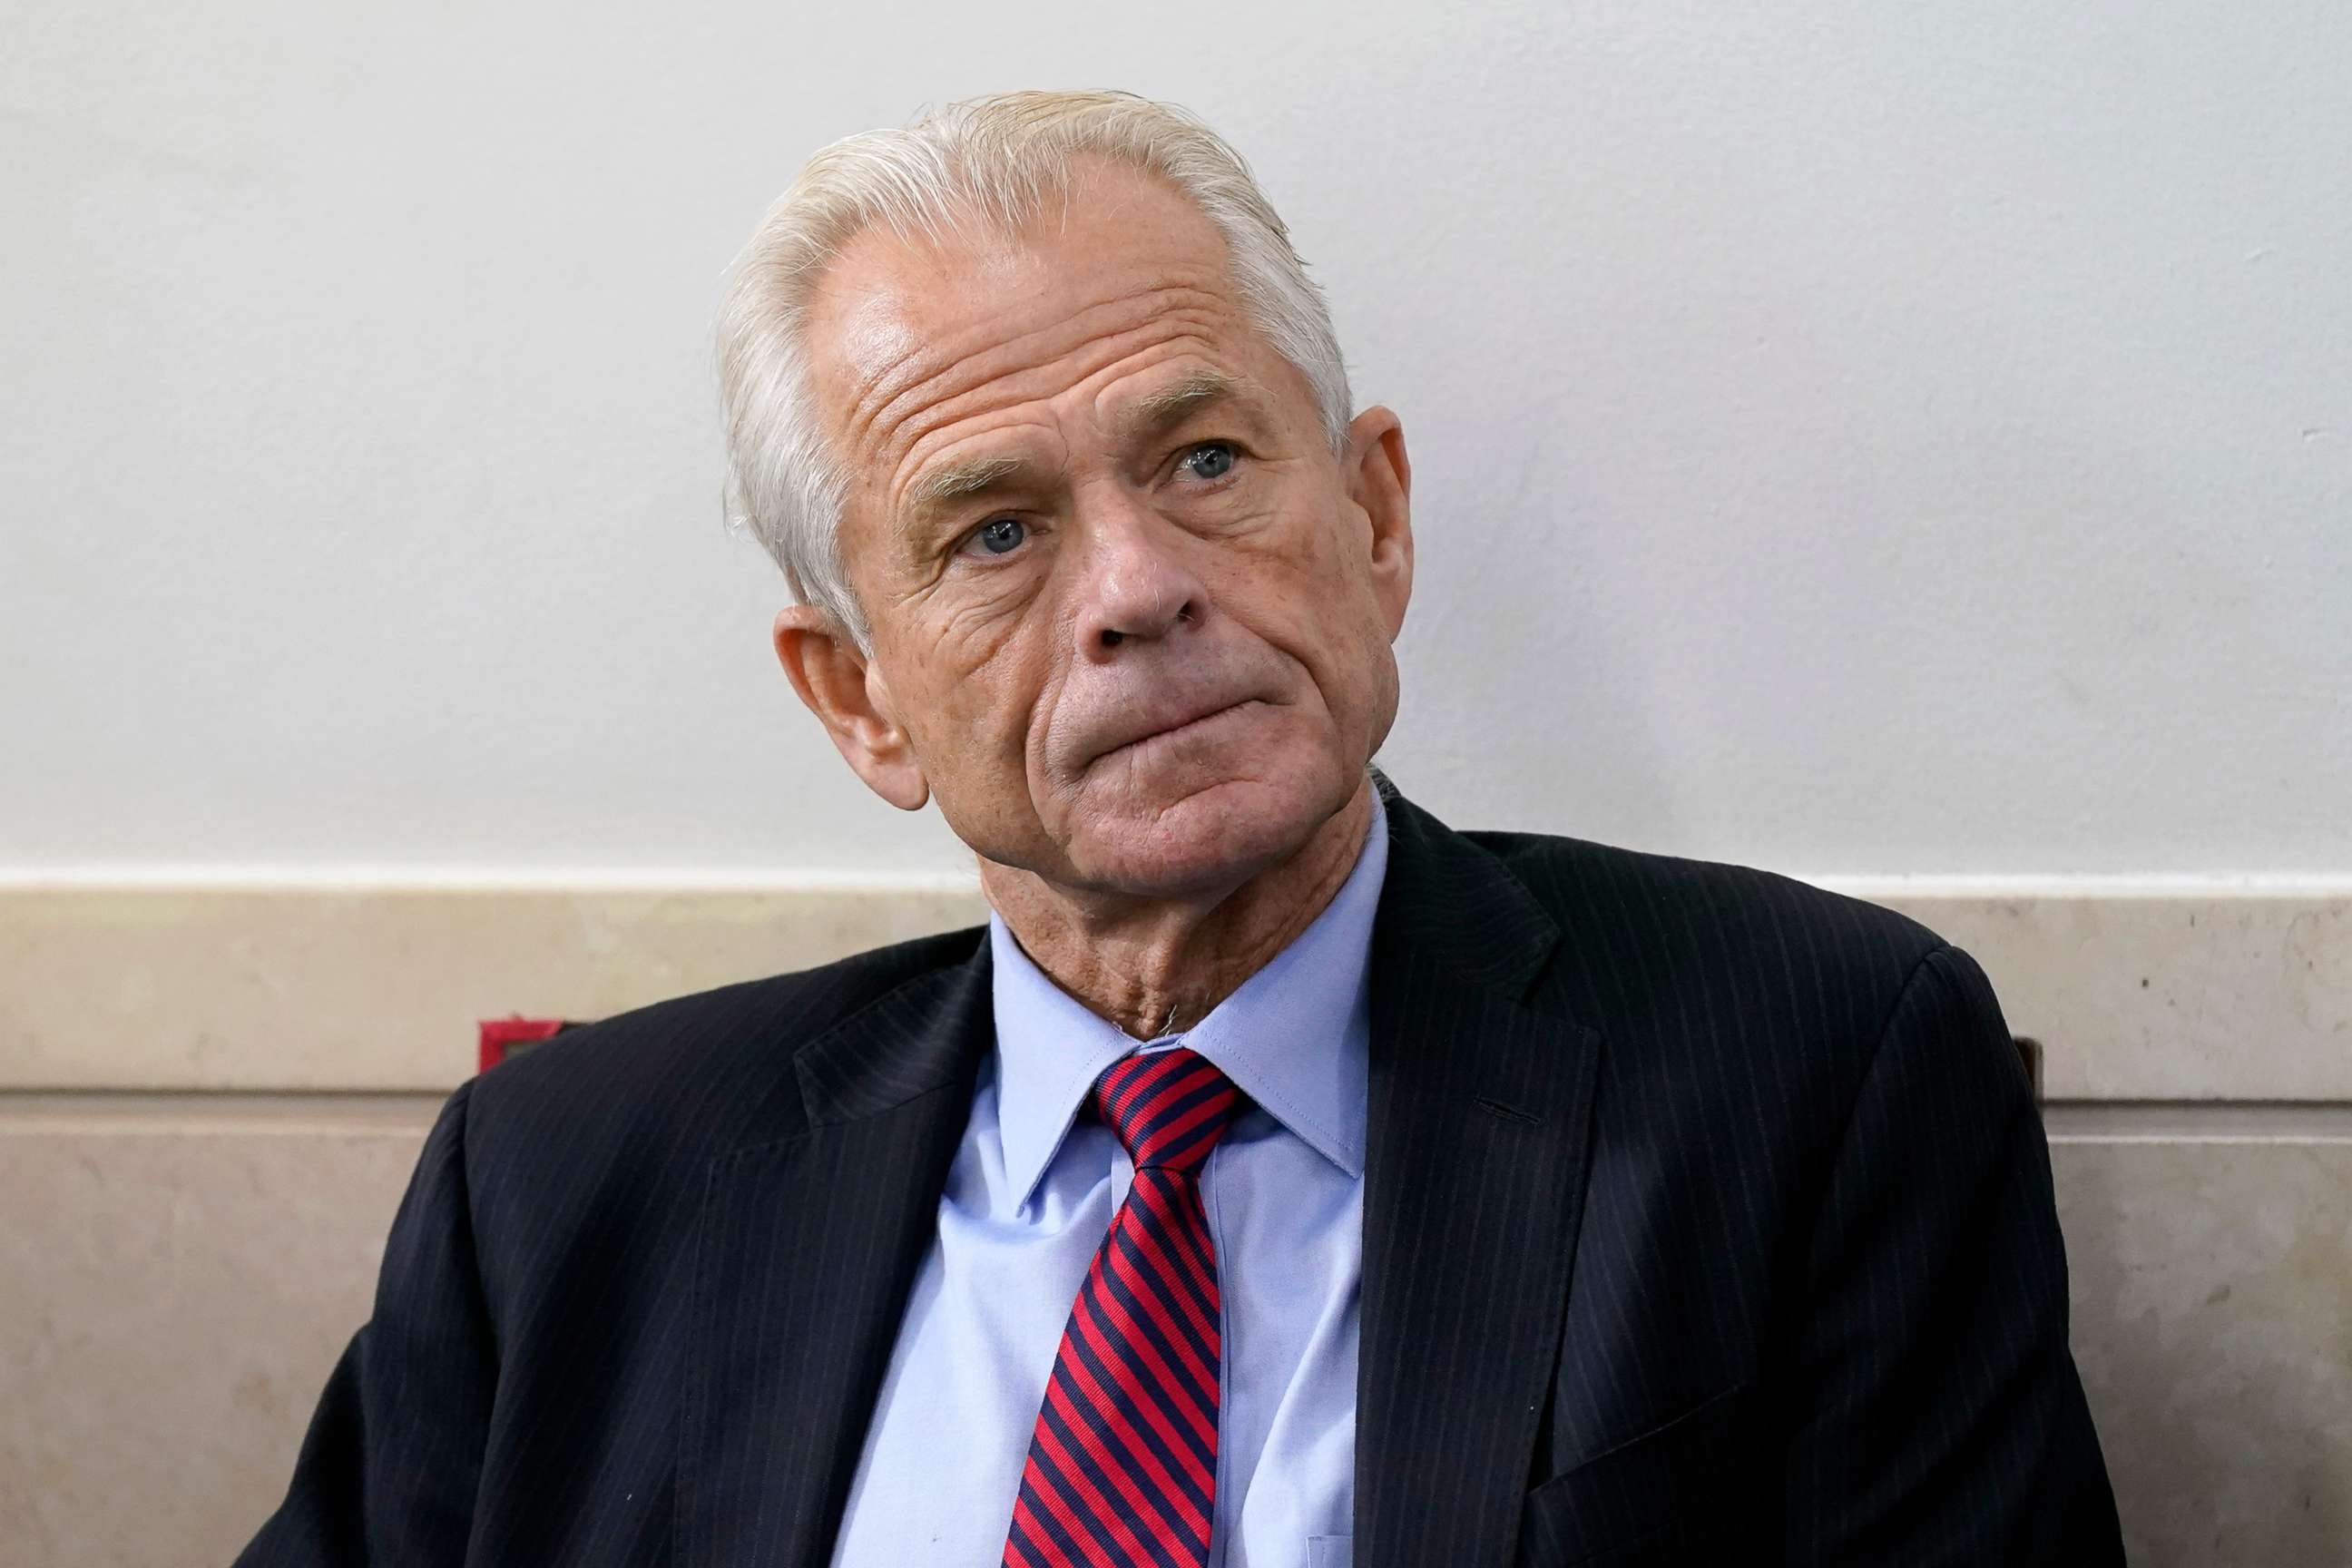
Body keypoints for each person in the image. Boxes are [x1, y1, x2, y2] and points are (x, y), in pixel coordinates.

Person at [237, 90, 2123, 1567]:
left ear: (1374, 521)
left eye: (1203, 460)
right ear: (860, 698)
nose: (1139, 587)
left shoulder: (1812, 1071)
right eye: (996, 530)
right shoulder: (568, 1185)